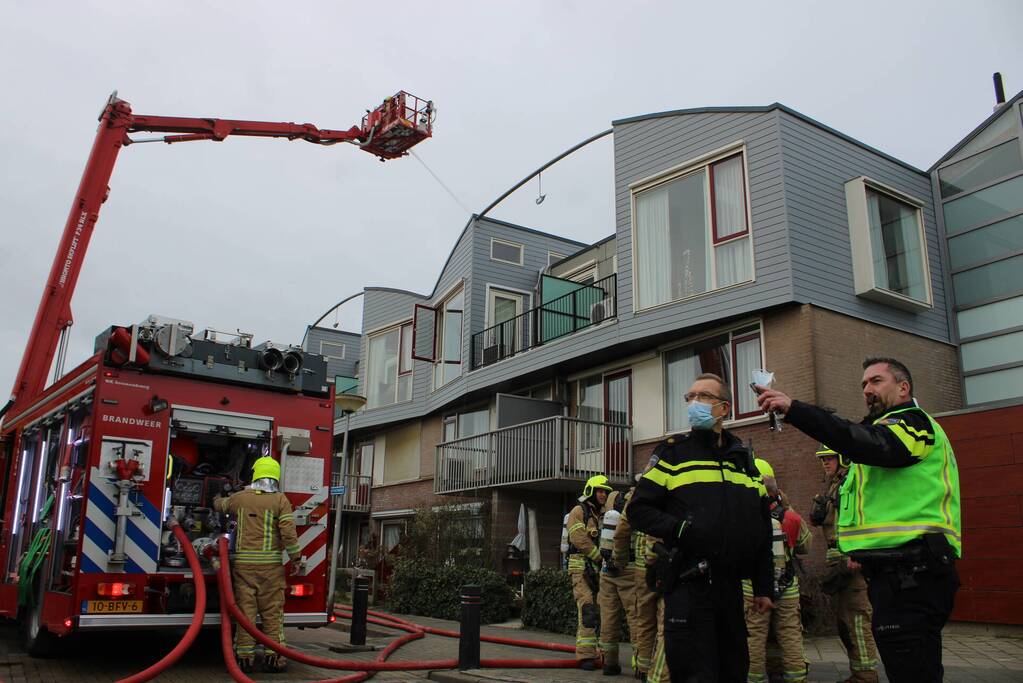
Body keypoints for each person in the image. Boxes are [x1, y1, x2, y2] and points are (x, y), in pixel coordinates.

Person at [755, 357, 961, 683]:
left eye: (876, 381)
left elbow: (861, 441)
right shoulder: (883, 431)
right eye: (864, 384)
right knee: (909, 666)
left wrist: (795, 409)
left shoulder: (913, 423)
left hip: (914, 569)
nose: (867, 389)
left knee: (912, 669)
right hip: (893, 571)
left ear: (903, 387)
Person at [628, 372, 775, 682]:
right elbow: (639, 510)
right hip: (689, 585)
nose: (693, 403)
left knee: (734, 671)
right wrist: (681, 529)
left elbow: (761, 528)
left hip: (731, 590)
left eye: (703, 397)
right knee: (696, 674)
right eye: (690, 397)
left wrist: (763, 586)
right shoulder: (673, 454)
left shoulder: (744, 463)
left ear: (724, 408)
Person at [214, 456, 302, 673]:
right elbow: (288, 533)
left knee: (245, 613)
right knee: (272, 613)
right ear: (275, 476)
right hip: (271, 569)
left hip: (244, 568)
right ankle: (274, 658)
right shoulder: (281, 500)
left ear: (255, 474)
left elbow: (221, 506)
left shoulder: (240, 498)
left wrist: (215, 497)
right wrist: (296, 558)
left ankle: (244, 658)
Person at [811, 444, 879, 683]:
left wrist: (857, 554)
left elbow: (859, 519)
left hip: (852, 564)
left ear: (843, 458)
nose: (825, 463)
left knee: (858, 619)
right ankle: (857, 672)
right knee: (844, 621)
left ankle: (866, 675)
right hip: (838, 564)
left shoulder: (852, 483)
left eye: (829, 458)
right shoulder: (834, 486)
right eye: (823, 460)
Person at [744, 458, 811, 683]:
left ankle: (753, 678)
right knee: (790, 635)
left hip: (753, 589)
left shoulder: (747, 518)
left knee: (753, 637)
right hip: (787, 585)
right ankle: (795, 678)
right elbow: (806, 546)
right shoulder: (790, 517)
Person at [613, 459, 661, 681]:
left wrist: (620, 559)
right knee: (666, 619)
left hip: (644, 567)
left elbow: (622, 530)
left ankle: (643, 668)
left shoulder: (636, 497)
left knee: (645, 617)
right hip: (673, 566)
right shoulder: (674, 490)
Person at [566, 474, 611, 670]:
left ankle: (602, 653)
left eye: (606, 492)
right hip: (581, 568)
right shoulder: (578, 511)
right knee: (587, 609)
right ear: (591, 491)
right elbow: (579, 539)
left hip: (599, 570)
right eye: (600, 490)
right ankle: (585, 656)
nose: (603, 494)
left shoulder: (604, 515)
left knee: (603, 610)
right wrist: (599, 557)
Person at [598, 487, 632, 676]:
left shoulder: (608, 509)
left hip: (606, 570)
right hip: (626, 568)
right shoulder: (633, 506)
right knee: (636, 617)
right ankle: (641, 666)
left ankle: (609, 663)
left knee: (608, 617)